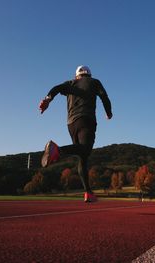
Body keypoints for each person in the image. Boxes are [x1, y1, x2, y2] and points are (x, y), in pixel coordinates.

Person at [39, 65, 113, 202]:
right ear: (89, 75)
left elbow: (56, 88)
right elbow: (104, 96)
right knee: (86, 149)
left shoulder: (70, 83)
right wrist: (109, 112)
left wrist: (48, 99)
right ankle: (58, 150)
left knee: (82, 156)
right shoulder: (94, 82)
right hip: (86, 119)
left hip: (71, 124)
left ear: (76, 76)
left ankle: (88, 193)